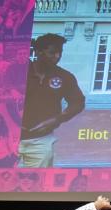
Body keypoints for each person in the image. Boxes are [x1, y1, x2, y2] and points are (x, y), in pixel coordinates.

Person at [19, 34, 85, 167]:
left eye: (60, 52)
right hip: (8, 139)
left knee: (36, 179)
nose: (57, 56)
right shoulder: (19, 71)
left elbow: (78, 102)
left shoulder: (65, 76)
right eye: (52, 52)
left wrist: (57, 119)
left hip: (41, 140)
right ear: (38, 52)